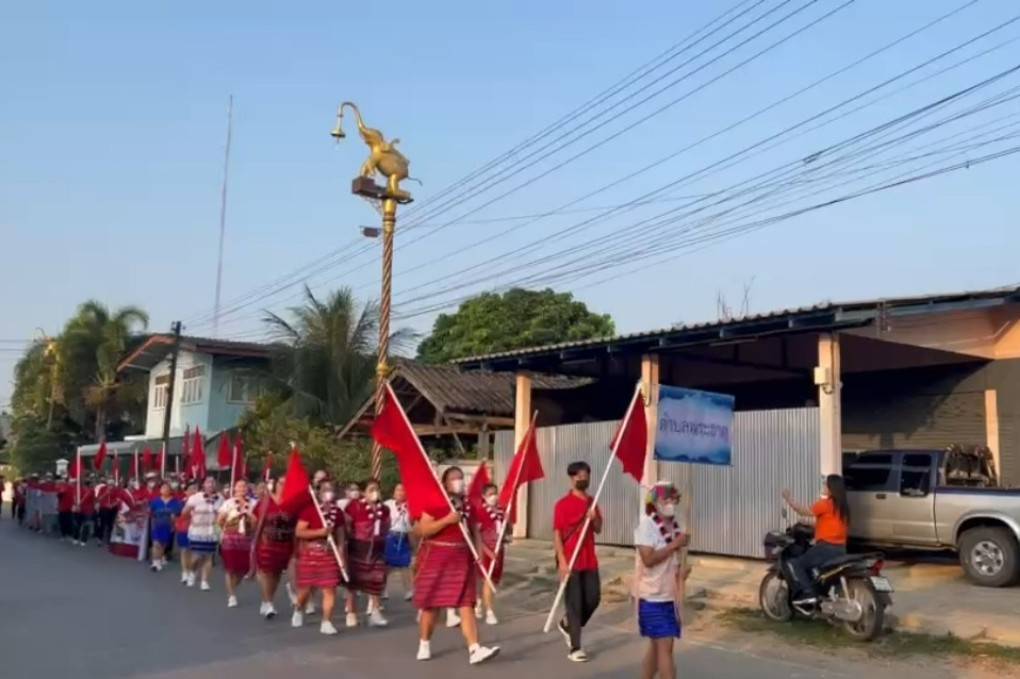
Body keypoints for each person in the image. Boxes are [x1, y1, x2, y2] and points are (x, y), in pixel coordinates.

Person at [413, 466, 499, 666]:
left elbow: (475, 531)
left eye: (461, 478)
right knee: (431, 606)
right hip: (437, 557)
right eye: (454, 478)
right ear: (445, 482)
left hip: (462, 558)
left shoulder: (468, 504)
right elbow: (423, 530)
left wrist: (478, 554)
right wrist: (447, 520)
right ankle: (424, 644)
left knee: (466, 603)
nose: (459, 481)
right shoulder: (435, 501)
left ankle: (474, 648)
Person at [634, 482, 689, 679]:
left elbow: (673, 561)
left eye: (673, 498)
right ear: (655, 503)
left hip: (669, 597)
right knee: (665, 647)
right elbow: (648, 559)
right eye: (666, 499)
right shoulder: (647, 526)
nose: (670, 503)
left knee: (658, 647)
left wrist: (681, 572)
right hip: (651, 598)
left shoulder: (677, 527)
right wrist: (675, 545)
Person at [553, 461, 603, 663]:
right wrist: (562, 561)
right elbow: (557, 534)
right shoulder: (562, 505)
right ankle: (575, 647)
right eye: (579, 475)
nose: (583, 478)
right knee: (574, 604)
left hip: (589, 559)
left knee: (593, 598)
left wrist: (594, 518)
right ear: (572, 478)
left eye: (586, 475)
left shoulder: (593, 502)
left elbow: (599, 529)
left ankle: (568, 625)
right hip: (570, 559)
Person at [781, 475, 851, 602]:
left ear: (831, 488)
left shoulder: (826, 504)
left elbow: (804, 511)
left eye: (825, 484)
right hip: (841, 549)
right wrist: (809, 524)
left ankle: (809, 593)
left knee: (797, 564)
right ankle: (821, 595)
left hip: (826, 548)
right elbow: (830, 523)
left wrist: (788, 499)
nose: (824, 486)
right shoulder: (842, 507)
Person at [292, 480, 346, 636]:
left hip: (329, 554)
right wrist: (319, 532)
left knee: (330, 589)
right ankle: (298, 608)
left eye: (331, 489)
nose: (328, 492)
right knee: (306, 590)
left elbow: (341, 535)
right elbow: (299, 532)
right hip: (310, 555)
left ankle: (327, 622)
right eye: (325, 489)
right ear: (319, 492)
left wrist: (341, 553)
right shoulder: (309, 511)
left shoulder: (338, 512)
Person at [345, 479, 390, 628]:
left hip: (377, 548)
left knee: (377, 580)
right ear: (363, 492)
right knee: (354, 582)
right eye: (371, 489)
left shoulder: (384, 509)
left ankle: (376, 612)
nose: (374, 492)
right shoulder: (354, 506)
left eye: (376, 489)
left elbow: (387, 526)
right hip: (358, 548)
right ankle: (351, 613)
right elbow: (347, 526)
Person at [253, 475, 295, 620]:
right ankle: (269, 603)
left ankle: (267, 600)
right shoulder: (266, 501)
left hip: (285, 543)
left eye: (286, 484)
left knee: (276, 575)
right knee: (266, 572)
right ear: (276, 485)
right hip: (267, 543)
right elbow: (256, 520)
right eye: (281, 483)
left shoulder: (291, 502)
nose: (283, 486)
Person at [218, 479, 256, 608]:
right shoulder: (228, 503)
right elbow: (220, 520)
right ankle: (232, 596)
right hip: (230, 538)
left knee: (242, 569)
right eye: (239, 486)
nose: (242, 488)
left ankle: (232, 587)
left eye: (244, 486)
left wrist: (250, 517)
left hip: (246, 539)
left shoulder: (253, 503)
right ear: (234, 488)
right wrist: (225, 529)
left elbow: (257, 520)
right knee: (230, 568)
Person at [181, 476, 223, 590]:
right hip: (197, 531)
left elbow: (221, 515)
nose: (211, 484)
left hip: (211, 532)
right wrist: (189, 513)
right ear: (203, 485)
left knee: (208, 557)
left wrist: (219, 532)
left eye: (213, 482)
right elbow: (184, 512)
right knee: (197, 557)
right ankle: (192, 572)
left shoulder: (220, 498)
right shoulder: (195, 497)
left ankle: (204, 581)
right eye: (208, 482)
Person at [475, 483, 507, 625]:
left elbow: (506, 532)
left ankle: (478, 600)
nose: (494, 496)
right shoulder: (480, 512)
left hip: (499, 550)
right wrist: (487, 551)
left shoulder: (501, 512)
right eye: (490, 494)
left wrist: (507, 521)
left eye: (495, 493)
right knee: (487, 580)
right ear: (484, 496)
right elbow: (476, 536)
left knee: (494, 580)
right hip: (485, 551)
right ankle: (489, 612)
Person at [384, 483, 414, 602]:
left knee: (405, 565)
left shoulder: (410, 506)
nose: (400, 492)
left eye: (403, 490)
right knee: (387, 565)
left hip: (404, 535)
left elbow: (411, 523)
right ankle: (382, 588)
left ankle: (409, 590)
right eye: (398, 490)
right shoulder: (388, 504)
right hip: (391, 535)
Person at [149, 482, 183, 572]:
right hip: (157, 525)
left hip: (169, 526)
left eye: (166, 488)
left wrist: (174, 524)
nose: (164, 489)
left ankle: (160, 557)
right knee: (156, 543)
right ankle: (155, 563)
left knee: (163, 545)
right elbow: (151, 513)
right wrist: (152, 525)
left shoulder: (176, 502)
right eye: (162, 488)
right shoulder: (155, 501)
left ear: (170, 490)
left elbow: (178, 515)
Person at [175, 482, 198, 584]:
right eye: (191, 489)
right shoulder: (182, 502)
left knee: (194, 552)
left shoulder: (202, 502)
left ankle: (191, 571)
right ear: (186, 491)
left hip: (197, 530)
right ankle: (185, 572)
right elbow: (177, 515)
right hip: (184, 529)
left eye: (196, 489)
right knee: (184, 550)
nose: (194, 491)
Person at [73, 480, 96, 547]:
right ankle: (79, 539)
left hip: (86, 510)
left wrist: (77, 504)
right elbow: (75, 497)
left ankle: (81, 539)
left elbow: (89, 498)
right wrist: (76, 504)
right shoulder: (79, 490)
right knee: (79, 525)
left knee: (83, 525)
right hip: (82, 510)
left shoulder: (91, 491)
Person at [56, 476, 76, 542]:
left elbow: (59, 496)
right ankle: (68, 535)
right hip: (67, 507)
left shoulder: (64, 487)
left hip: (64, 507)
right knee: (68, 521)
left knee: (64, 522)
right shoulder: (71, 487)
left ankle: (64, 535)